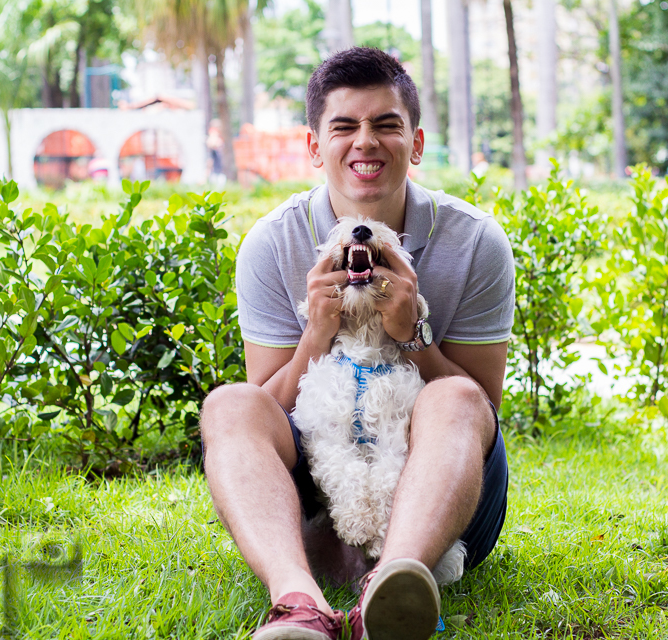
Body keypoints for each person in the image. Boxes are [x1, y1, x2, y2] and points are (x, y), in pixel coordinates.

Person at [200, 47, 515, 640]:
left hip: (449, 497)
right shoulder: (271, 244)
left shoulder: (476, 242)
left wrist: (413, 336)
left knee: (453, 399)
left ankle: (393, 584)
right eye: (344, 127)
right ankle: (299, 605)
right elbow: (269, 408)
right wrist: (314, 335)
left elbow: (480, 410)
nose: (364, 142)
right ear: (316, 146)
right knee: (229, 404)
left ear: (415, 143)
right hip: (316, 492)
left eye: (385, 125)